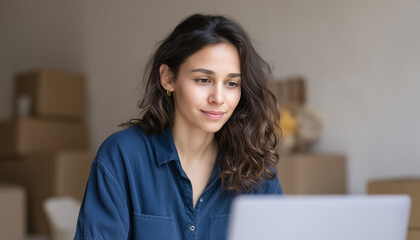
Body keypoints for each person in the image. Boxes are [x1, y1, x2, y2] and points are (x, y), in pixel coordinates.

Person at [74, 13, 283, 240]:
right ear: (168, 78)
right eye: (204, 80)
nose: (218, 98)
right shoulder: (121, 156)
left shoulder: (257, 168)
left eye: (232, 83)